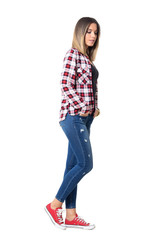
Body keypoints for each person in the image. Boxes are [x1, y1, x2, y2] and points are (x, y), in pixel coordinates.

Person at [45, 17, 101, 230]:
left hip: (86, 118)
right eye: (88, 31)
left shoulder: (88, 60)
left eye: (95, 32)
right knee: (86, 164)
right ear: (80, 33)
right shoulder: (73, 55)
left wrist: (95, 107)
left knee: (73, 166)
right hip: (73, 116)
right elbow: (65, 85)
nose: (93, 36)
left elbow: (90, 87)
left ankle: (70, 215)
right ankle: (54, 205)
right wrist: (82, 106)